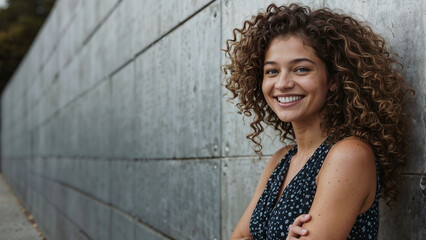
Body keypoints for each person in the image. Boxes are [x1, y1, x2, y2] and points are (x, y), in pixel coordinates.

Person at [223, 3, 412, 240]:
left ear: (333, 79)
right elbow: (238, 236)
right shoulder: (281, 159)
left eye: (301, 69)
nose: (282, 83)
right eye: (271, 71)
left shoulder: (349, 155)